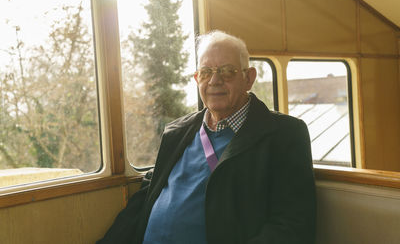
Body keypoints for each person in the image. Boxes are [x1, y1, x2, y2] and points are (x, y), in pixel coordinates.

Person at [97, 30, 316, 244]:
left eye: (227, 71)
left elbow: (292, 225)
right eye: (206, 72)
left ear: (248, 78)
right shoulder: (177, 132)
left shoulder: (284, 135)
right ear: (196, 79)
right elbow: (145, 199)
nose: (214, 80)